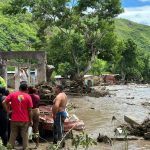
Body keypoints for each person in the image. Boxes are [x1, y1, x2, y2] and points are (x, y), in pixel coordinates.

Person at [2, 83, 33, 150]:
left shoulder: (13, 94)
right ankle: (25, 148)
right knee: (25, 135)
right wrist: (31, 120)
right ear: (26, 89)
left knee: (13, 134)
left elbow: (4, 102)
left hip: (14, 119)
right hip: (25, 119)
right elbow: (30, 110)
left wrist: (8, 111)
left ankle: (10, 147)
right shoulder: (28, 96)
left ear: (19, 88)